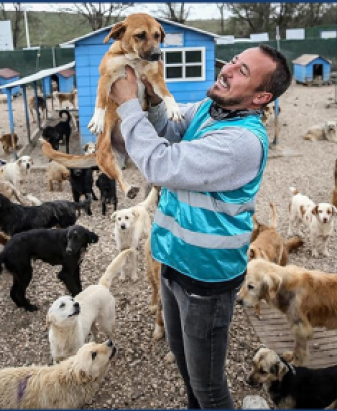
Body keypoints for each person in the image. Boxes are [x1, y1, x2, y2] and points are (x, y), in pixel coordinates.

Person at [109, 44, 292, 409]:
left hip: (205, 282)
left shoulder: (242, 141)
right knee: (184, 362)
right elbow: (167, 126)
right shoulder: (212, 109)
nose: (227, 69)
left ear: (261, 96)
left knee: (208, 386)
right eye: (234, 61)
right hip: (171, 261)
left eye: (242, 72)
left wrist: (129, 104)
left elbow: (161, 164)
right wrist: (149, 92)